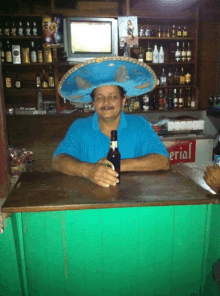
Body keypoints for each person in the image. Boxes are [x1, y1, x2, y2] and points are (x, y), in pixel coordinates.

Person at [52, 57, 170, 188]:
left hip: (132, 202)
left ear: (123, 100)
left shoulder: (139, 124)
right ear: (93, 103)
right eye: (100, 98)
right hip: (89, 202)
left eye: (113, 97)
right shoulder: (79, 127)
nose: (106, 102)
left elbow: (163, 161)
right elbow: (58, 161)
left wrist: (117, 164)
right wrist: (89, 170)